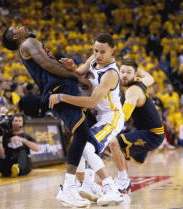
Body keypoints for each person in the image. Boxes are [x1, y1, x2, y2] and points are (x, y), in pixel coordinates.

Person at [2, 25, 92, 207]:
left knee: (85, 133)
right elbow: (48, 64)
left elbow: (50, 64)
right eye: (16, 27)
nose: (22, 25)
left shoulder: (28, 44)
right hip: (59, 88)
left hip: (59, 87)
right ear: (17, 36)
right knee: (82, 133)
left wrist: (70, 71)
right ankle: (69, 187)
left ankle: (86, 184)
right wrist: (77, 77)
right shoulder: (28, 42)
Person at [49, 33, 126, 206]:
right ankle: (89, 185)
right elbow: (79, 72)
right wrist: (72, 68)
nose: (98, 55)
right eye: (96, 50)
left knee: (86, 147)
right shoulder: (94, 60)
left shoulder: (111, 74)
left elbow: (91, 101)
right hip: (98, 116)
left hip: (111, 117)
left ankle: (112, 189)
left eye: (102, 52)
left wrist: (62, 97)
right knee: (83, 145)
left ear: (112, 52)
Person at [108, 59, 164, 192]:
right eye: (122, 72)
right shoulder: (142, 81)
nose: (125, 75)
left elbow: (125, 116)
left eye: (129, 72)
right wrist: (135, 67)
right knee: (121, 149)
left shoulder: (132, 91)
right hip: (146, 130)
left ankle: (123, 180)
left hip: (152, 134)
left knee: (113, 143)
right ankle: (124, 180)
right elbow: (150, 77)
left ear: (135, 75)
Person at [0, 113, 40, 178]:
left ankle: (18, 169)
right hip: (9, 163)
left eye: (19, 121)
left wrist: (22, 140)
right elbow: (1, 155)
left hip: (24, 165)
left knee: (23, 152)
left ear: (22, 123)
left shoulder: (26, 136)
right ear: (12, 122)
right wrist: (0, 140)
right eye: (15, 121)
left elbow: (37, 148)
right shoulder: (6, 136)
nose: (17, 123)